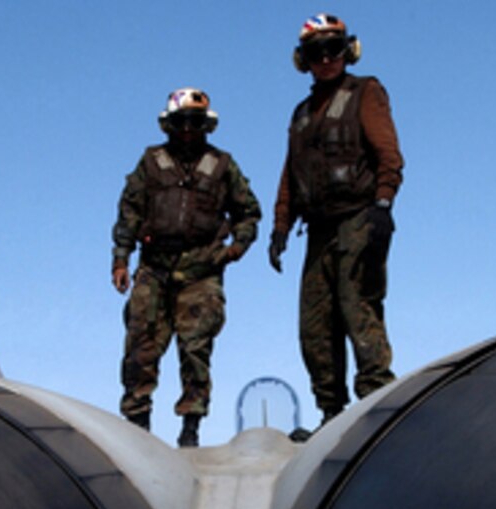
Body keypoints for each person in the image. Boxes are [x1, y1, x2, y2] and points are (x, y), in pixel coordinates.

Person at [269, 14, 404, 427]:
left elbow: (388, 153)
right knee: (315, 324)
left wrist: (383, 205)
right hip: (319, 230)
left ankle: (376, 407)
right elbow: (291, 174)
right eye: (316, 53)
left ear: (348, 52)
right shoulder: (302, 113)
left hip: (359, 219)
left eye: (334, 50)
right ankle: (331, 414)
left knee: (357, 306)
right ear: (303, 60)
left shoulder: (365, 92)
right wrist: (279, 227)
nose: (326, 59)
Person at [112, 87, 261, 447]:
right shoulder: (151, 162)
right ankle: (138, 424)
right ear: (169, 125)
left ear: (207, 126)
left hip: (201, 270)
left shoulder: (222, 166)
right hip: (154, 268)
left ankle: (190, 427)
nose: (188, 131)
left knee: (196, 349)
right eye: (182, 123)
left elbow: (249, 211)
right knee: (140, 346)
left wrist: (235, 248)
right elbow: (130, 209)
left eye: (196, 124)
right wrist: (121, 258)